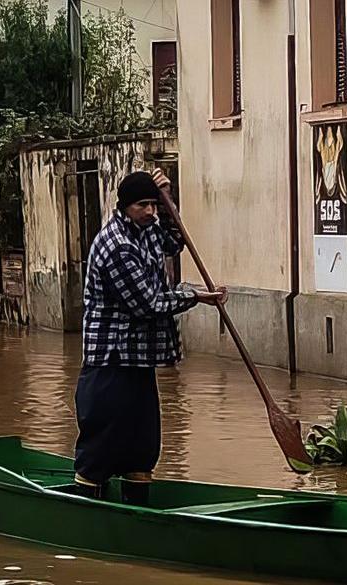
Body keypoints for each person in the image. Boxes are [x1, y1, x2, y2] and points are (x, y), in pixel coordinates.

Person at [73, 169, 227, 505]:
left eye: (153, 205)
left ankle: (137, 511)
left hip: (140, 359)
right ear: (126, 206)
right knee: (102, 444)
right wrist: (196, 296)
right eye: (143, 205)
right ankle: (86, 511)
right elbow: (147, 304)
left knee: (143, 446)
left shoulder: (149, 228)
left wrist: (169, 197)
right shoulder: (116, 246)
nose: (150, 211)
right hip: (110, 360)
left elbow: (176, 240)